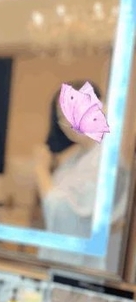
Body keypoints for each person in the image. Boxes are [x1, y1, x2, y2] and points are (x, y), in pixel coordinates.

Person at [34, 81, 129, 272]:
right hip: (65, 263)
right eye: (62, 116)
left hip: (88, 268)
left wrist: (40, 170)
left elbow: (62, 210)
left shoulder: (108, 158)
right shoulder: (77, 157)